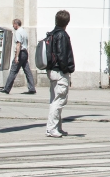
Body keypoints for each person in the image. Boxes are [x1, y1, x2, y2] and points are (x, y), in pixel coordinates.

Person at [46, 10, 75, 138]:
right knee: (59, 100)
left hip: (52, 70)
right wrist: (67, 69)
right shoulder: (62, 35)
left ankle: (57, 127)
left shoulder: (52, 34)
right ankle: (52, 128)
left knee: (55, 99)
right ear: (67, 22)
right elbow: (62, 54)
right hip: (60, 72)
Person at [0, 19, 36, 95]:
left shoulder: (18, 32)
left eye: (13, 24)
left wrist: (16, 56)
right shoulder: (24, 32)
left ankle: (7, 88)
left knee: (13, 71)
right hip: (25, 52)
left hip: (20, 53)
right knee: (27, 71)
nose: (13, 26)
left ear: (16, 24)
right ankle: (32, 88)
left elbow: (18, 45)